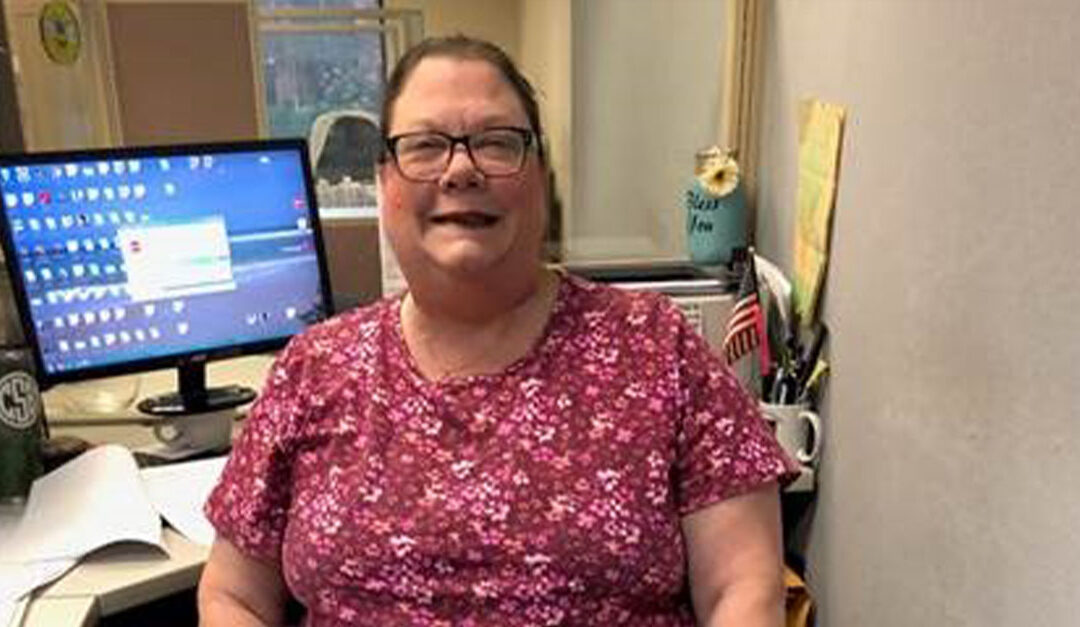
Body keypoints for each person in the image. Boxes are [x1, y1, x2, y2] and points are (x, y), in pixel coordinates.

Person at [198, 34, 798, 626]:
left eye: (496, 142)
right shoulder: (314, 367)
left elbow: (741, 590)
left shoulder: (655, 347)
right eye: (426, 145)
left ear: (539, 174)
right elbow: (234, 597)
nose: (461, 170)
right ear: (384, 181)